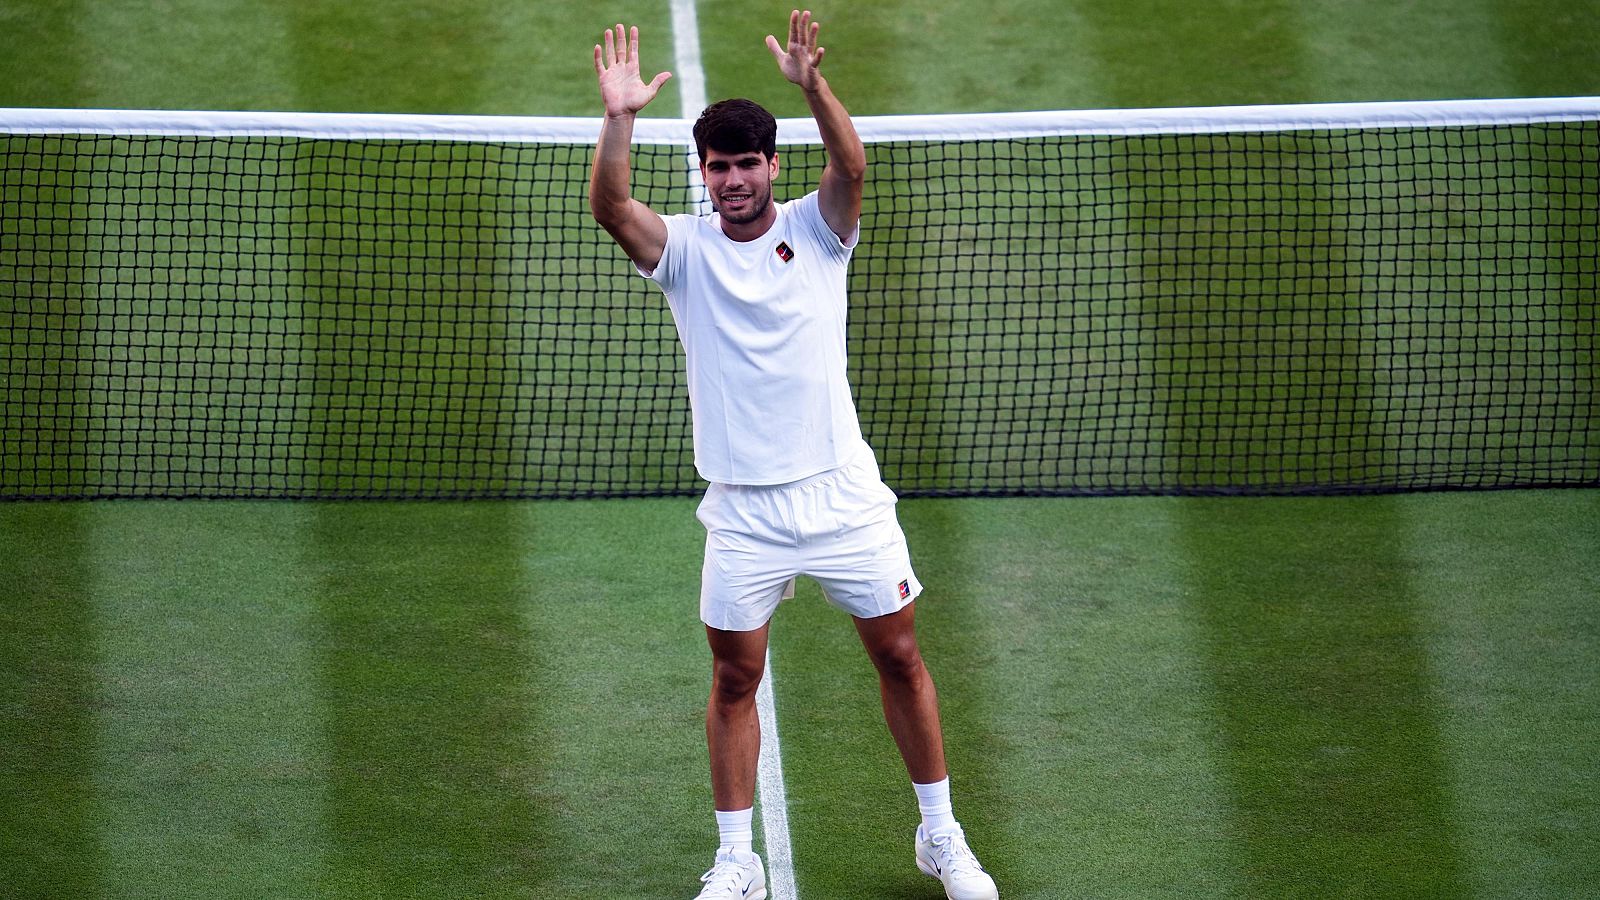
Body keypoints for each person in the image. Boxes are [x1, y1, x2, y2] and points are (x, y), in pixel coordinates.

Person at [589, 11, 999, 900]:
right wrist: (619, 117)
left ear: (772, 165)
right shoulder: (685, 251)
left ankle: (941, 836)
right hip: (743, 512)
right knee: (735, 677)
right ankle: (737, 859)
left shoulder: (819, 230)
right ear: (702, 173)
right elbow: (612, 207)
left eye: (747, 163)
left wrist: (813, 86)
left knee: (900, 657)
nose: (733, 179)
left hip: (843, 496)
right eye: (718, 166)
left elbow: (853, 166)